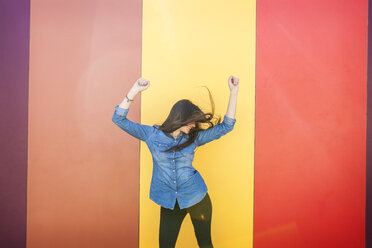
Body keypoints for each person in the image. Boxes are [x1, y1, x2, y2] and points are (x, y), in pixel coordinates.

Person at [112, 76, 239, 248]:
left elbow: (226, 126)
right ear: (181, 118)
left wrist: (234, 92)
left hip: (197, 198)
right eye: (192, 120)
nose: (194, 125)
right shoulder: (151, 134)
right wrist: (135, 89)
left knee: (205, 244)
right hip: (169, 202)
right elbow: (119, 119)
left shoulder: (194, 138)